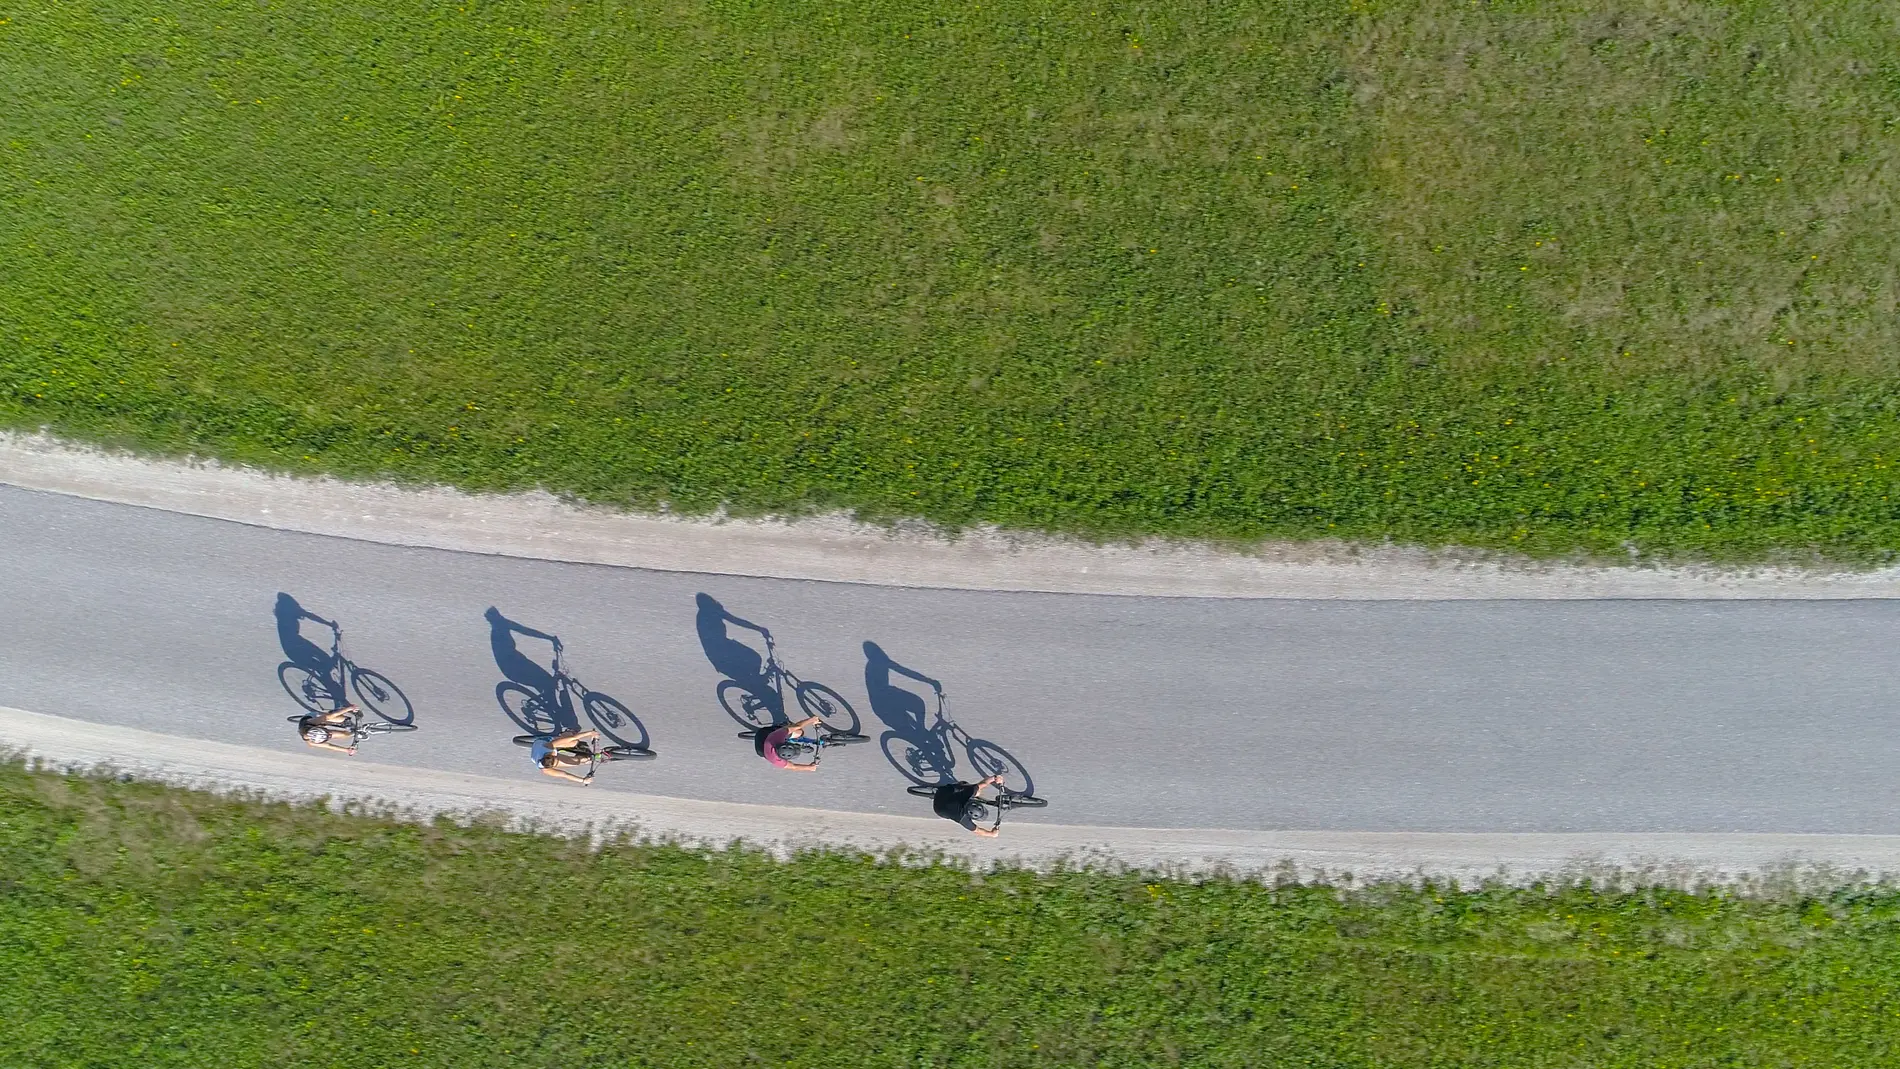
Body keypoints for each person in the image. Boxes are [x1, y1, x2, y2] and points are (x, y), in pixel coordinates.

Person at [694, 594, 780, 719]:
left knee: (755, 658)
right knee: (758, 683)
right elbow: (717, 638)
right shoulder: (704, 616)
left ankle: (757, 684)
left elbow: (735, 620)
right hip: (721, 656)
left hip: (727, 647)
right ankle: (760, 696)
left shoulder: (713, 611)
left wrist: (759, 629)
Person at [929, 773, 1007, 837]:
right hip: (938, 809)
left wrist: (992, 834)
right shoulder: (962, 818)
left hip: (943, 791)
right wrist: (994, 778)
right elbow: (978, 831)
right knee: (975, 791)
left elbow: (978, 831)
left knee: (970, 788)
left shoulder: (964, 818)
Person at [532, 727, 603, 785]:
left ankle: (566, 732)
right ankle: (583, 757)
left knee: (574, 742)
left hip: (543, 741)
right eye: (555, 763)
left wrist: (591, 733)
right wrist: (583, 780)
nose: (558, 760)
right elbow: (565, 775)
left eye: (556, 759)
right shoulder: (546, 770)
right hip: (543, 754)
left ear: (553, 755)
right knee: (575, 762)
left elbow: (573, 738)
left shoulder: (548, 746)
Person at [756, 714, 825, 772]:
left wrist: (810, 768)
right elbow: (797, 725)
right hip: (762, 743)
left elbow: (793, 767)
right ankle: (787, 731)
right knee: (795, 731)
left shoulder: (776, 737)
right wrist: (812, 720)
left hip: (764, 734)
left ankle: (782, 727)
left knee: (800, 732)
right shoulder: (776, 738)